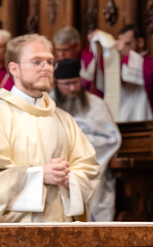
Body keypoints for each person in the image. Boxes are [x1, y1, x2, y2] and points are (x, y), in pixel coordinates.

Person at [0, 34, 100, 223]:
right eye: (37, 62)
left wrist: (68, 178)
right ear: (14, 68)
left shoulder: (63, 119)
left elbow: (88, 168)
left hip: (61, 228)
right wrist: (39, 176)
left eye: (50, 62)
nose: (46, 68)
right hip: (14, 231)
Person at [52, 58, 121, 222]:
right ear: (56, 84)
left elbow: (112, 139)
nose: (72, 88)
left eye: (75, 82)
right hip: (56, 167)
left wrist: (77, 142)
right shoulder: (47, 105)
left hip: (90, 166)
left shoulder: (97, 105)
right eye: (67, 84)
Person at [82, 24, 153, 123]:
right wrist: (95, 47)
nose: (121, 48)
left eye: (127, 43)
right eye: (120, 44)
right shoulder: (118, 65)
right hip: (120, 119)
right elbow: (95, 78)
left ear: (140, 42)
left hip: (143, 119)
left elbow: (151, 78)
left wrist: (127, 53)